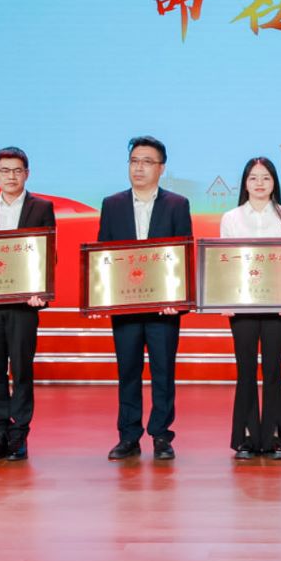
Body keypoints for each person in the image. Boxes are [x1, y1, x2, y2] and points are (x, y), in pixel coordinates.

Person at [97, 136, 192, 461]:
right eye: (134, 161)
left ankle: (162, 436)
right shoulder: (112, 204)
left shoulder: (177, 205)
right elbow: (103, 255)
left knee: (163, 372)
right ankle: (128, 437)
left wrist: (178, 300)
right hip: (125, 306)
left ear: (161, 168)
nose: (139, 168)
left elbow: (183, 255)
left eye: (147, 162)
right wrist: (103, 297)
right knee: (128, 372)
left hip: (164, 308)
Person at [0, 146, 54, 461]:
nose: (11, 176)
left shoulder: (41, 207)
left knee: (22, 369)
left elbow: (47, 254)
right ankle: (0, 432)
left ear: (26, 174)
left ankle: (19, 436)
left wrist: (41, 292)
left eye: (17, 170)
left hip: (23, 305)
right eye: (5, 170)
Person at [219, 156, 281, 460]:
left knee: (274, 369)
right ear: (245, 183)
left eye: (266, 177)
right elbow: (225, 262)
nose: (260, 183)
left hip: (278, 304)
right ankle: (247, 437)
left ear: (274, 182)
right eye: (253, 178)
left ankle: (275, 437)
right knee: (246, 369)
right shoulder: (231, 218)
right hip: (242, 305)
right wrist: (226, 301)